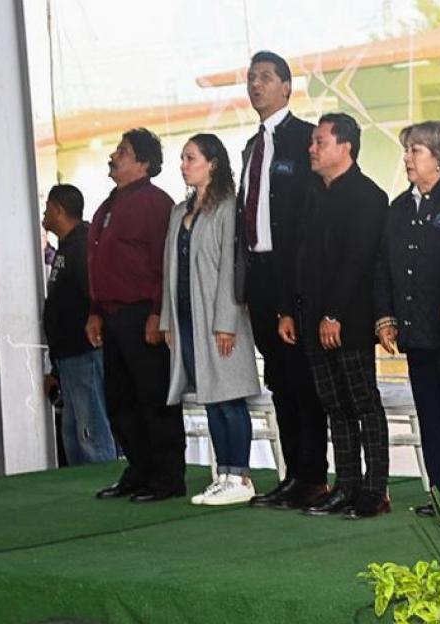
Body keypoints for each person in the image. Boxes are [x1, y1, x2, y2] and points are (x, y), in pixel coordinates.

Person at [279, 113, 390, 519]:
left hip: (350, 321)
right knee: (334, 406)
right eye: (312, 142)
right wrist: (288, 310)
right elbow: (298, 257)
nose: (311, 148)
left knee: (363, 404)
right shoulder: (311, 193)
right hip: (310, 319)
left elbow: (357, 263)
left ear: (345, 147)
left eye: (320, 142)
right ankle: (345, 485)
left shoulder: (368, 196)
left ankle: (375, 490)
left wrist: (333, 314)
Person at [237, 51, 331, 511]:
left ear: (287, 87)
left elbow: (310, 216)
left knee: (302, 379)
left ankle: (313, 475)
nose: (256, 85)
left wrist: (297, 289)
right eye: (251, 78)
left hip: (293, 272)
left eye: (266, 78)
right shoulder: (251, 146)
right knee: (278, 378)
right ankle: (293, 474)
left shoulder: (302, 139)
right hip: (259, 274)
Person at [374, 122, 440, 515]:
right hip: (416, 328)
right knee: (430, 412)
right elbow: (383, 264)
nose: (407, 158)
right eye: (407, 150)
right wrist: (385, 316)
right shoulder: (400, 207)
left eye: (415, 150)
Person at [159, 134, 262, 506]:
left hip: (218, 317)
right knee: (209, 396)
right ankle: (224, 474)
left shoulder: (227, 208)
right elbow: (169, 271)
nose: (184, 165)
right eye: (183, 158)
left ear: (212, 163)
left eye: (191, 158)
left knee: (229, 395)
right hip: (188, 316)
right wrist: (168, 320)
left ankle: (241, 475)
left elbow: (229, 271)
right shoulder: (179, 211)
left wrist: (226, 321)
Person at [87, 128, 187, 502]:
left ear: (144, 163)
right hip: (112, 315)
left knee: (154, 396)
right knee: (120, 399)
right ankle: (140, 469)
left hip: (142, 312)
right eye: (117, 149)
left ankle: (167, 477)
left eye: (123, 152)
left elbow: (166, 263)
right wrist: (95, 311)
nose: (114, 156)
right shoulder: (110, 203)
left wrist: (158, 313)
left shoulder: (154, 203)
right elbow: (97, 260)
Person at [42, 184, 117, 465]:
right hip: (67, 357)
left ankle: (104, 483)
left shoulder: (83, 247)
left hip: (85, 352)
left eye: (47, 206)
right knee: (73, 433)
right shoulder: (66, 248)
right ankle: (81, 494)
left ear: (59, 209)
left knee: (91, 431)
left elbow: (95, 298)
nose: (44, 213)